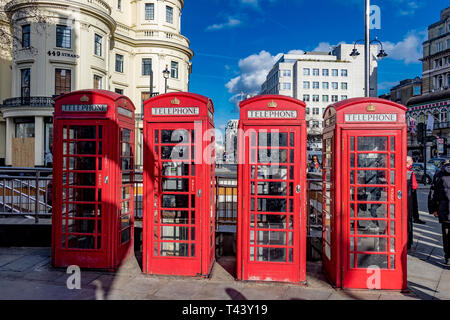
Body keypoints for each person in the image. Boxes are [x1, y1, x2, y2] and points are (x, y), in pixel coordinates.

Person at [428, 160, 450, 265]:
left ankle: (448, 257)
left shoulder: (439, 174)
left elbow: (433, 192)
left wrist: (433, 209)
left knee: (446, 234)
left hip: (444, 209)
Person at [407, 156, 419, 249]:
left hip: (402, 199)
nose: (413, 161)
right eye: (411, 160)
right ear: (408, 162)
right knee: (408, 221)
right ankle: (408, 241)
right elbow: (415, 186)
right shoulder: (410, 172)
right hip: (409, 198)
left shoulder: (400, 170)